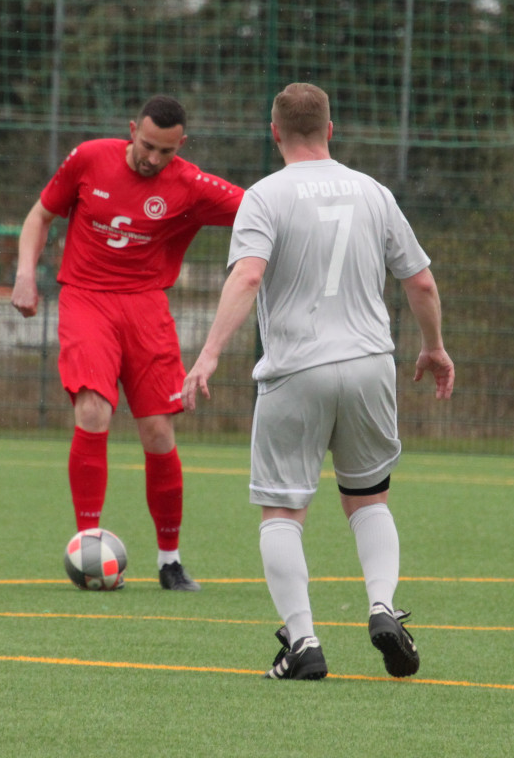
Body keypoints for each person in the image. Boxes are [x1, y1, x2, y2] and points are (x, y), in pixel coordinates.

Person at [182, 82, 454, 680]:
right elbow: (422, 284)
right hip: (369, 364)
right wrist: (432, 347)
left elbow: (248, 278)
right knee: (369, 497)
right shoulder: (374, 192)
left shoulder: (264, 196)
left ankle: (303, 643)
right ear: (331, 130)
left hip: (296, 370)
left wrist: (207, 355)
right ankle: (383, 606)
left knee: (281, 511)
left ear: (273, 132)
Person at [11, 95, 243, 592]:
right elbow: (38, 216)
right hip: (85, 300)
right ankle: (89, 544)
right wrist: (25, 275)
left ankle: (170, 561)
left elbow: (261, 209)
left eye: (165, 151)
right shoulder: (89, 158)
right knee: (92, 411)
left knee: (158, 433)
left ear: (181, 145)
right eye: (146, 145)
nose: (152, 159)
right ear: (131, 129)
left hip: (146, 307)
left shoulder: (192, 185)